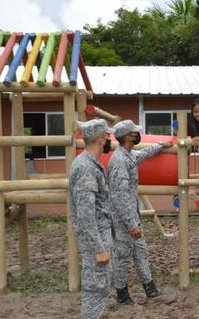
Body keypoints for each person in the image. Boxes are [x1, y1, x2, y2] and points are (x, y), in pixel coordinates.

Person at [108, 120, 173, 305]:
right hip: (123, 218)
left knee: (140, 252)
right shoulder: (119, 161)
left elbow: (143, 154)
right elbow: (120, 197)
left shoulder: (127, 155)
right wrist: (131, 224)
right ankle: (122, 296)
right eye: (135, 133)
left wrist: (161, 145)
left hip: (131, 215)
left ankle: (151, 290)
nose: (137, 135)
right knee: (121, 256)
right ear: (129, 136)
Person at [68, 119, 114, 319]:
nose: (109, 141)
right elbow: (85, 214)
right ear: (101, 138)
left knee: (100, 286)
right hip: (95, 240)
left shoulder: (90, 163)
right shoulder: (86, 167)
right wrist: (99, 248)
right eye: (108, 137)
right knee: (96, 288)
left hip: (100, 235)